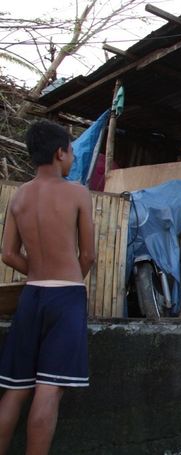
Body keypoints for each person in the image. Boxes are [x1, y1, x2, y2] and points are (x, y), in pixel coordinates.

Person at [0, 120, 95, 455]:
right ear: (60, 153)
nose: (72, 158)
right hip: (65, 296)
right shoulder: (77, 193)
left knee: (15, 389)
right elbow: (88, 255)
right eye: (71, 151)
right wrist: (68, 276)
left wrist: (37, 271)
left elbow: (8, 254)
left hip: (31, 296)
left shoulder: (19, 196)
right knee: (49, 388)